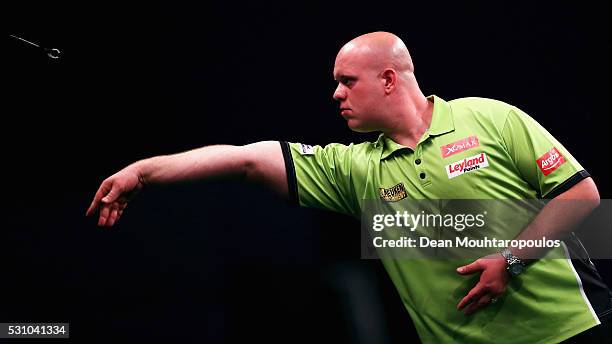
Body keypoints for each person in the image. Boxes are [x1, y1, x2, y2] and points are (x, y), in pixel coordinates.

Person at [87, 32, 612, 343]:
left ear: (389, 79)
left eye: (347, 81)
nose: (336, 95)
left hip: (569, 333)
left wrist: (510, 260)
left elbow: (581, 197)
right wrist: (145, 170)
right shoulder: (355, 168)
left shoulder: (490, 119)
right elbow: (247, 159)